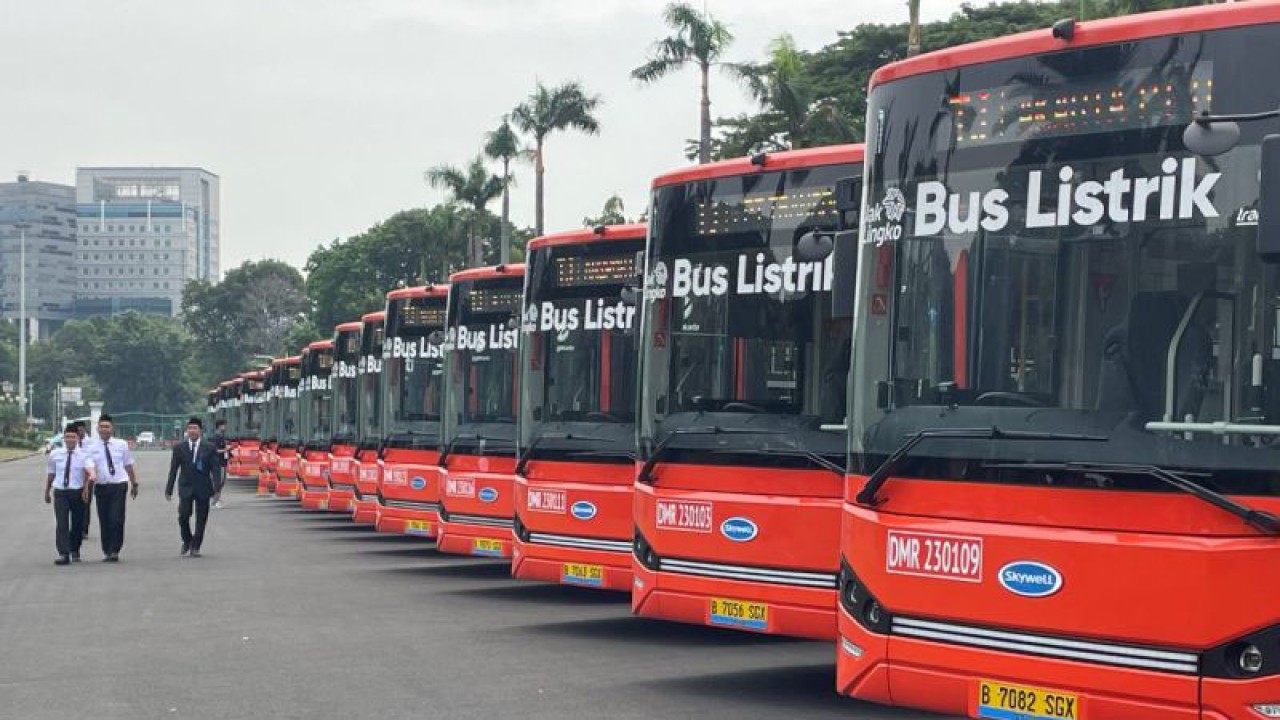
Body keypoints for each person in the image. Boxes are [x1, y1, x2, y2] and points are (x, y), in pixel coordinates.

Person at [165, 417, 219, 558]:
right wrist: (169, 489)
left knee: (201, 519)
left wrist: (217, 489)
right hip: (186, 487)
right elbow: (173, 469)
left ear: (200, 431)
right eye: (190, 428)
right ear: (186, 431)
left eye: (195, 428)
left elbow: (216, 470)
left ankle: (196, 546)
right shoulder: (179, 448)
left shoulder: (209, 447)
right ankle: (187, 539)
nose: (192, 431)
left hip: (203, 487)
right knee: (183, 516)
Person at [89, 414, 138, 562]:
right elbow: (88, 468)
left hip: (118, 485)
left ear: (112, 428)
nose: (104, 429)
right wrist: (86, 487)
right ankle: (107, 549)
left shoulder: (121, 444)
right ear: (97, 428)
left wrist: (134, 483)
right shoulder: (91, 447)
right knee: (104, 519)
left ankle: (115, 549)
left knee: (116, 518)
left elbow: (128, 464)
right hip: (101, 486)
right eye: (102, 426)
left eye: (107, 426)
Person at [44, 424, 96, 565]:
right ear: (63, 438)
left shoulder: (84, 455)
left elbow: (90, 469)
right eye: (67, 437)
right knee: (62, 523)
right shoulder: (55, 454)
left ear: (78, 438)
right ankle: (63, 553)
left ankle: (75, 549)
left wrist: (91, 477)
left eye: (73, 437)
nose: (70, 439)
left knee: (77, 523)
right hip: (61, 492)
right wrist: (47, 491)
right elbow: (51, 474)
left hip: (77, 492)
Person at [75, 420, 93, 539]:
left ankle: (84, 529)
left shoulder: (91, 443)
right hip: (75, 477)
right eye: (77, 430)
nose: (79, 432)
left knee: (86, 503)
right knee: (76, 504)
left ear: (85, 430)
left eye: (81, 430)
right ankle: (76, 528)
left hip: (88, 477)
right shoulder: (71, 442)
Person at [212, 419, 229, 509]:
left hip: (223, 461)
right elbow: (215, 450)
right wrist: (226, 450)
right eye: (224, 425)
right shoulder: (217, 436)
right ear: (220, 426)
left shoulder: (222, 435)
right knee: (218, 481)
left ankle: (216, 499)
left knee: (222, 481)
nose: (225, 427)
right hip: (218, 462)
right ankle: (216, 500)